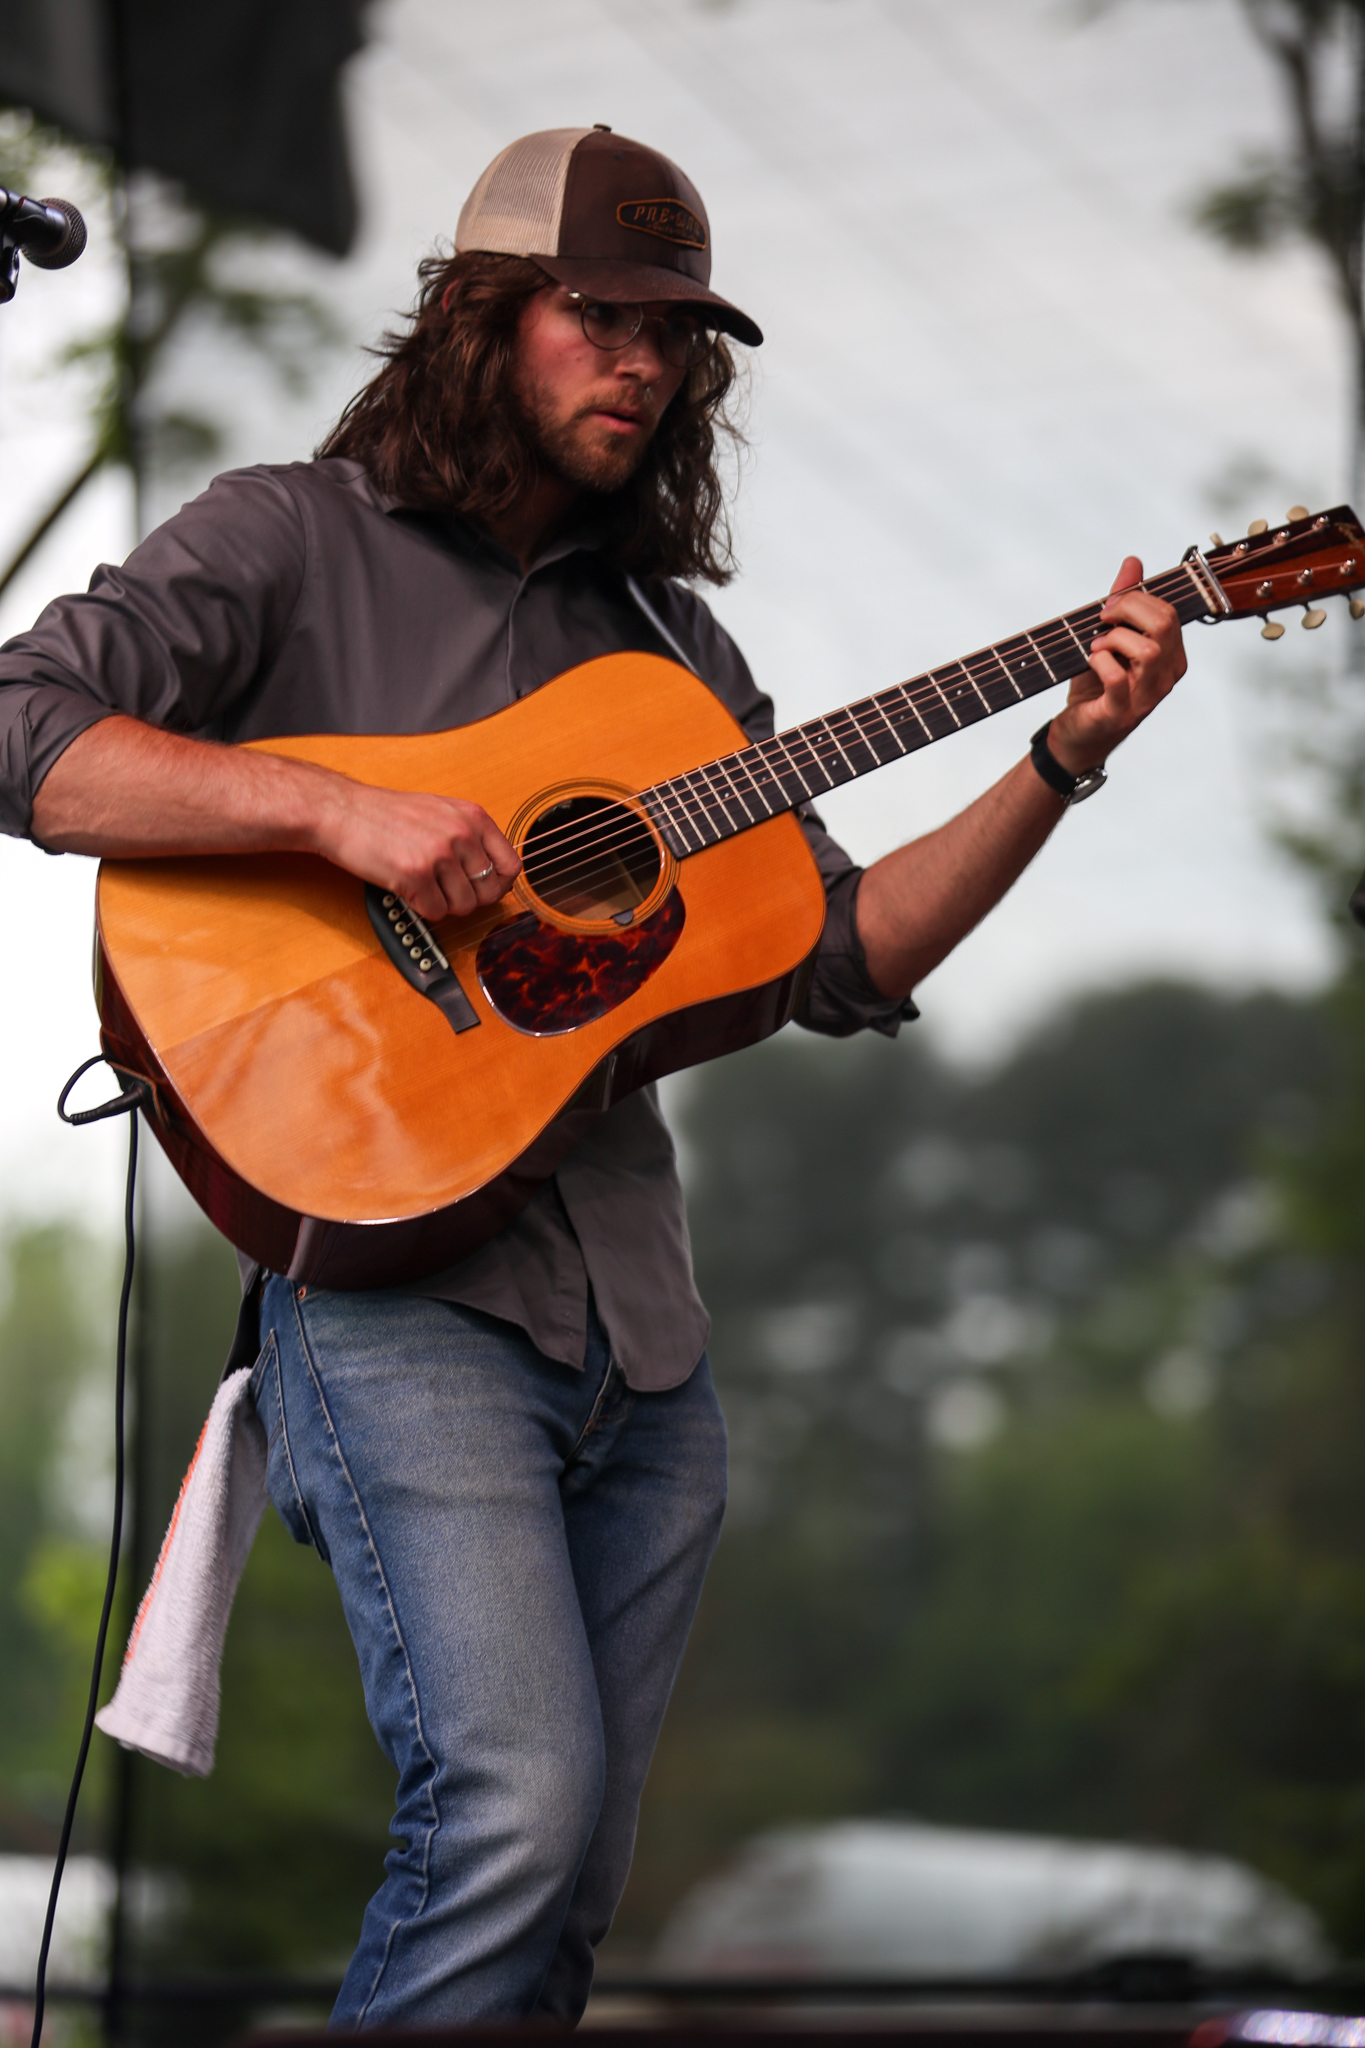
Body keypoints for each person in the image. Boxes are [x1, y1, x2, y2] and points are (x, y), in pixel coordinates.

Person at [0, 126, 1186, 2030]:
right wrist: (341, 813)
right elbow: (24, 733)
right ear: (482, 318)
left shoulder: (669, 662)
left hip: (640, 1340)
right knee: (513, 1819)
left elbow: (837, 954)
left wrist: (1061, 758)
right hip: (396, 1298)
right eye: (599, 316)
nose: (644, 364)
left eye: (676, 336)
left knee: (565, 1901)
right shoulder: (285, 537)